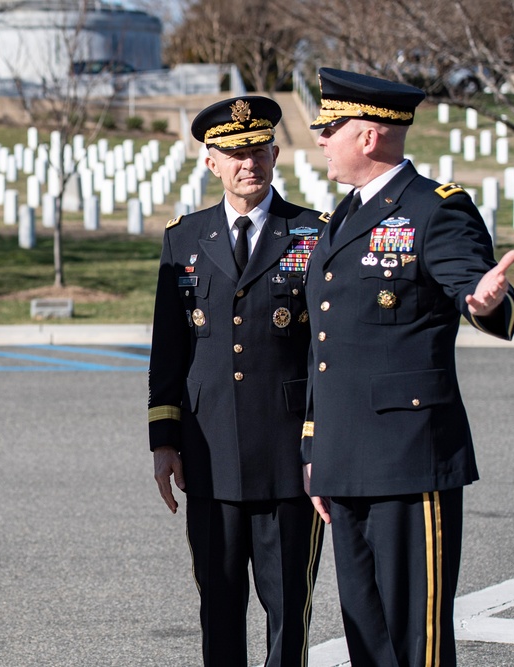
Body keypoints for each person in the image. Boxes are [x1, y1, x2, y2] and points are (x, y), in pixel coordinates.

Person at [301, 68, 514, 666]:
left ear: (368, 137)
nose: (320, 139)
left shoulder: (434, 209)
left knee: (415, 639)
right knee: (365, 637)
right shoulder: (343, 215)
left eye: (331, 128)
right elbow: (328, 345)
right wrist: (316, 449)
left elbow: (472, 286)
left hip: (406, 456)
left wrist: (482, 302)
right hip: (344, 460)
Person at [148, 95, 327, 666]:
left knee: (288, 609)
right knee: (218, 607)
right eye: (234, 153)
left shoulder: (314, 233)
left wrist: (320, 443)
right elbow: (168, 350)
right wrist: (164, 441)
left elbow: (330, 352)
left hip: (288, 455)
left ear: (275, 153)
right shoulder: (184, 238)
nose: (249, 163)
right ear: (211, 162)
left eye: (258, 150)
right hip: (209, 451)